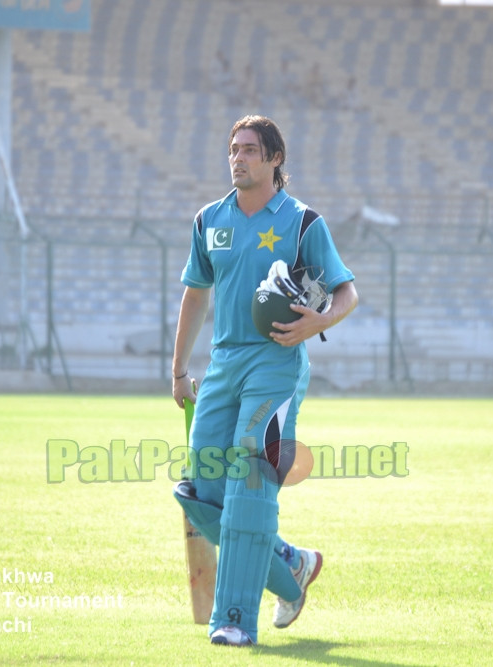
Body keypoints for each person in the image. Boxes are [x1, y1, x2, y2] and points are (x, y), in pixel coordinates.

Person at [170, 115, 358, 647]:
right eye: (233, 148)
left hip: (277, 363)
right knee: (203, 491)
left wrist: (321, 321)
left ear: (275, 158)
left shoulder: (302, 223)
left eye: (250, 149)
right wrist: (180, 369)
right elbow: (195, 294)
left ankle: (232, 619)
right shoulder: (209, 219)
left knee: (250, 477)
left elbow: (346, 293)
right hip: (222, 365)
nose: (238, 157)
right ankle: (290, 566)